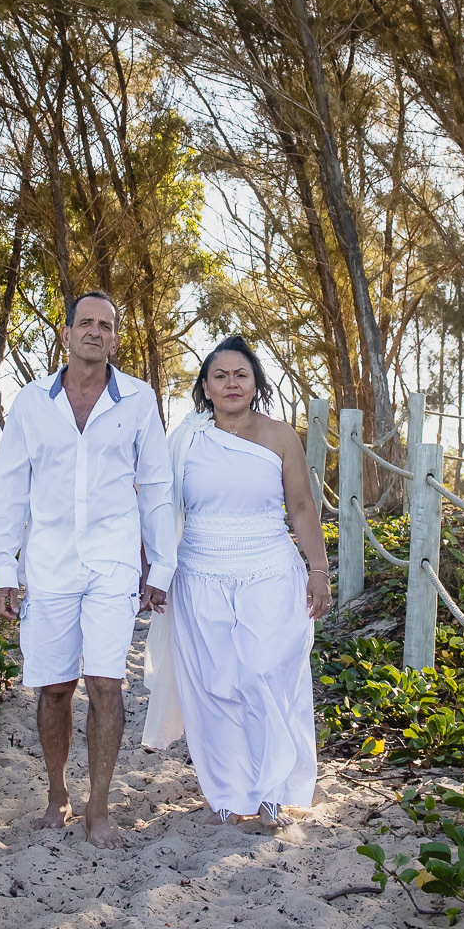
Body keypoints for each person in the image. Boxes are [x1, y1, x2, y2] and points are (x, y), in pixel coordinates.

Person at [0, 291, 176, 848]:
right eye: (85, 323)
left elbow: (157, 488)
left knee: (107, 684)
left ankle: (98, 807)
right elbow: (9, 489)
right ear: (66, 333)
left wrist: (159, 566)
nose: (95, 331)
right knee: (55, 688)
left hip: (114, 564)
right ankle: (56, 795)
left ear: (115, 337)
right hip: (49, 564)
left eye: (106, 325)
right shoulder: (30, 404)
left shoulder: (139, 400)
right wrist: (3, 567)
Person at [143, 336, 332, 829]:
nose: (231, 383)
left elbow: (303, 507)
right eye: (220, 375)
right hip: (199, 573)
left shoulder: (280, 436)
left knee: (262, 674)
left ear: (255, 383)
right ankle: (228, 794)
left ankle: (272, 790)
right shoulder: (184, 438)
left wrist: (319, 572)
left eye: (240, 375)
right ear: (204, 386)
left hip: (269, 569)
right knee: (214, 685)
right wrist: (155, 571)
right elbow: (161, 508)